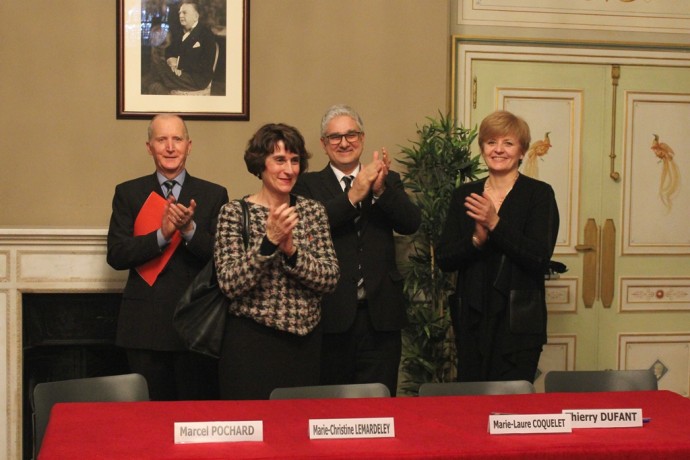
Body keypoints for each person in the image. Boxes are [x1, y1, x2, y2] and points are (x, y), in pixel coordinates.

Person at [292, 105, 421, 396]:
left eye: (351, 134)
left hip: (381, 316)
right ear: (324, 145)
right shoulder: (307, 185)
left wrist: (379, 191)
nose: (344, 142)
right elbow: (310, 229)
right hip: (331, 315)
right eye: (335, 137)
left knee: (378, 405)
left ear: (362, 138)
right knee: (330, 407)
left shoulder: (388, 179)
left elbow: (411, 223)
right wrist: (353, 195)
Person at [107, 113, 229, 400]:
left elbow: (223, 257)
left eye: (177, 139)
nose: (170, 147)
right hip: (144, 328)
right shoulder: (128, 193)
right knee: (148, 423)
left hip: (196, 328)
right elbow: (117, 254)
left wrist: (188, 230)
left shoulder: (213, 195)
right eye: (162, 140)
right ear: (149, 147)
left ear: (189, 145)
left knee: (193, 420)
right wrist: (161, 236)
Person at [214, 123, 340, 400]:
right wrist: (268, 243)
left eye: (295, 160)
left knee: (296, 432)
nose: (289, 169)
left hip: (304, 344)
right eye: (280, 160)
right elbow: (230, 284)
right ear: (261, 163)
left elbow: (330, 279)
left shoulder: (313, 211)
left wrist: (292, 252)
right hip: (250, 344)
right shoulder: (234, 213)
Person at [436, 110, 559, 383]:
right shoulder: (464, 195)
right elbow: (444, 258)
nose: (499, 150)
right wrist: (476, 241)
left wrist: (495, 224)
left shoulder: (539, 195)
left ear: (522, 151)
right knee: (472, 408)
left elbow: (538, 257)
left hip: (519, 321)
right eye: (491, 142)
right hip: (472, 318)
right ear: (482, 148)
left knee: (513, 407)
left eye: (508, 143)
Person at [144, 2, 217, 95]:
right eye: (180, 13)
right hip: (181, 75)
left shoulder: (206, 34)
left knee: (157, 66)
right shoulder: (180, 32)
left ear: (195, 16)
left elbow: (206, 63)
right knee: (155, 84)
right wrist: (171, 60)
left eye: (184, 13)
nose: (181, 15)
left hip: (196, 79)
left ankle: (137, 91)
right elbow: (170, 50)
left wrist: (180, 66)